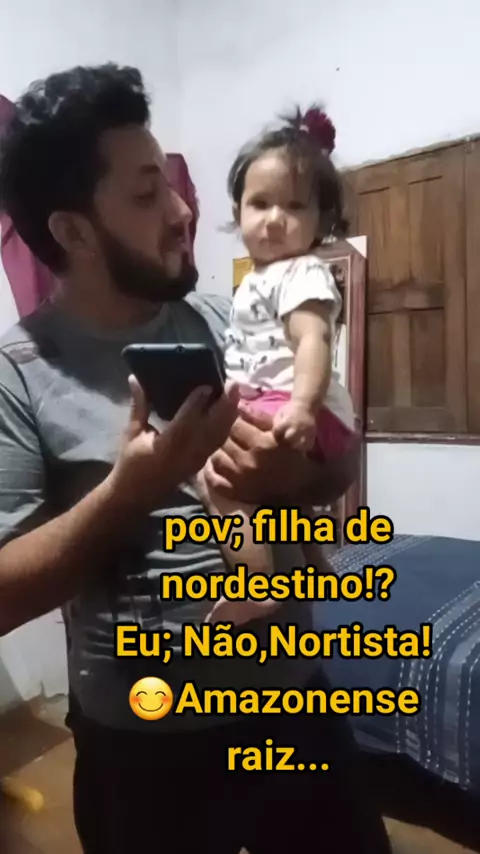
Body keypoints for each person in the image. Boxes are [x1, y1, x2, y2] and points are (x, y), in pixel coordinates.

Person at [0, 64, 391, 854]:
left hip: (293, 705)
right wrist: (129, 491)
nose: (185, 211)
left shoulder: (230, 316)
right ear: (74, 232)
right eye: (148, 195)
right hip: (144, 748)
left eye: (173, 185)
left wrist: (293, 474)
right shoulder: (19, 372)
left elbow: (337, 465)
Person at [199, 106, 356, 627]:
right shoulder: (258, 279)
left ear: (321, 222)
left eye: (293, 206)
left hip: (301, 405)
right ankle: (314, 558)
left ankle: (255, 582)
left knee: (217, 477)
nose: (273, 219)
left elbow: (313, 340)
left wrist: (304, 406)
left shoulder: (302, 272)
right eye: (260, 203)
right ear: (238, 211)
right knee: (276, 489)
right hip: (284, 402)